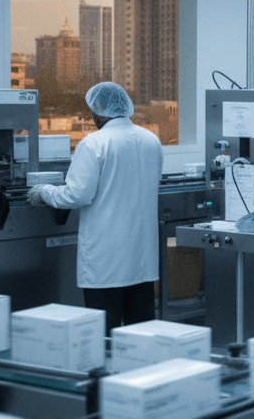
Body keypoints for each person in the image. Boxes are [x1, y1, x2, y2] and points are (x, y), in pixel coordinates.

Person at [28, 82, 163, 329]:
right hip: (142, 257)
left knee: (105, 333)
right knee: (141, 333)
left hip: (106, 259)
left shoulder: (94, 143)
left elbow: (76, 195)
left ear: (99, 111)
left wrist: (44, 192)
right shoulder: (151, 140)